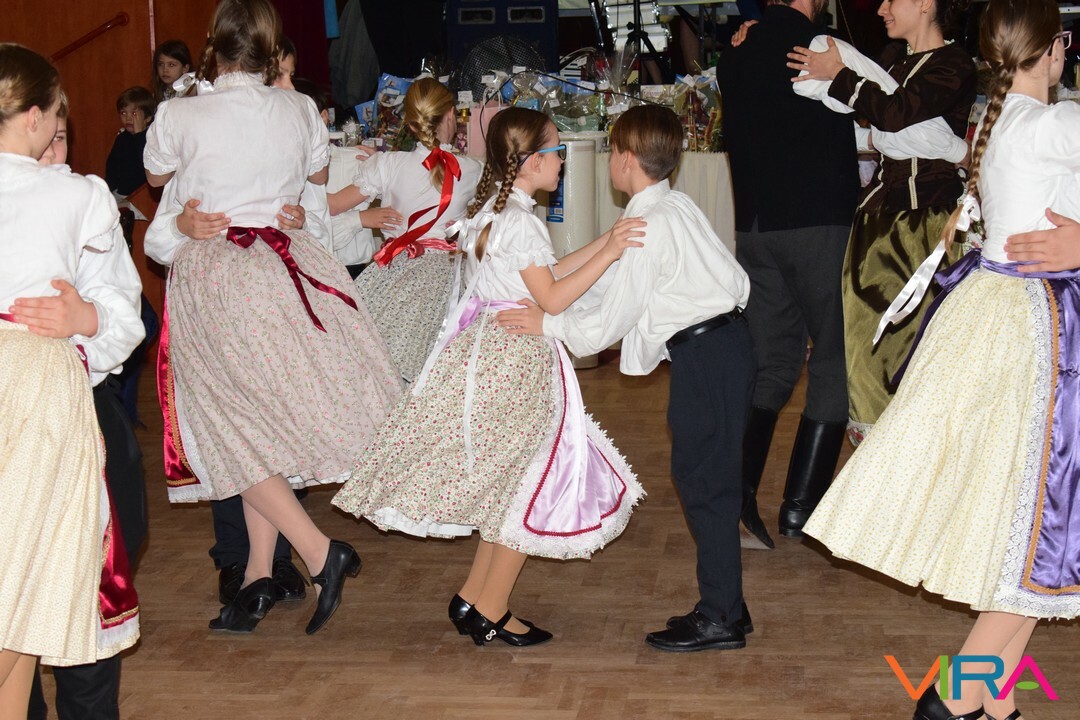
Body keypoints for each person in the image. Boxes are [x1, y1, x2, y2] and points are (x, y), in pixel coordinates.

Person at [804, 3, 1079, 719]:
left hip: (997, 313)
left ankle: (992, 703)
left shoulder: (1001, 121)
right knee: (1042, 528)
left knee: (1028, 522)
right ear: (1054, 49)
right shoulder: (1056, 123)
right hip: (1042, 327)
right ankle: (955, 700)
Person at [332, 107, 645, 646]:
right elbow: (551, 297)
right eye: (555, 151)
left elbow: (543, 274)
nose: (561, 161)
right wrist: (611, 252)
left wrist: (604, 243)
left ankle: (475, 596)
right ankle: (491, 608)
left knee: (513, 480)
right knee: (527, 482)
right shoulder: (520, 221)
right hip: (513, 359)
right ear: (530, 162)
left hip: (492, 350)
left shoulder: (497, 210)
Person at [143, 0, 402, 634]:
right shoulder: (298, 107)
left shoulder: (181, 112)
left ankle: (317, 550)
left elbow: (154, 173)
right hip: (284, 269)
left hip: (219, 273)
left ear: (215, 43)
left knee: (229, 427)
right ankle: (258, 574)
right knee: (257, 426)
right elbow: (316, 174)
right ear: (268, 47)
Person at [498, 105, 755, 652]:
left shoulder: (647, 226)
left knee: (704, 483)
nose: (609, 160)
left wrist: (548, 322)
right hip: (725, 348)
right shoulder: (673, 205)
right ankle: (728, 605)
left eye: (612, 150)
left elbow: (610, 321)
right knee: (709, 478)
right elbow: (618, 288)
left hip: (707, 357)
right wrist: (557, 302)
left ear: (627, 159)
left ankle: (720, 617)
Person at [0, 44, 140, 718]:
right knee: (19, 575)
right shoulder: (73, 195)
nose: (59, 142)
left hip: (66, 395)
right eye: (54, 125)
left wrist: (87, 319)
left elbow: (120, 310)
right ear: (33, 118)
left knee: (51, 574)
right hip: (33, 392)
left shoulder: (75, 196)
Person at [789, 0, 976, 445]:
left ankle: (919, 457)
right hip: (876, 223)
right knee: (866, 346)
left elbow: (896, 113)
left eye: (893, 0)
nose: (881, 9)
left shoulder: (954, 64)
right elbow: (883, 127)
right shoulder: (892, 61)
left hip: (929, 227)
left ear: (926, 4)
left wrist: (841, 74)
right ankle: (880, 459)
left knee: (919, 348)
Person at [716, 0, 859, 547]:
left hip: (756, 227)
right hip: (818, 224)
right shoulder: (823, 49)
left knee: (772, 361)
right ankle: (801, 509)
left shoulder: (735, 52)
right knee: (833, 359)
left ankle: (737, 498)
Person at [328, 77, 483, 382]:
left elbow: (331, 205)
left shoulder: (387, 164)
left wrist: (373, 174)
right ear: (451, 115)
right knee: (443, 366)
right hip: (450, 278)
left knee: (382, 358)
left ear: (410, 125)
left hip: (396, 273)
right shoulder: (472, 169)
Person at [105, 86, 156, 197]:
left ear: (147, 117)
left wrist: (139, 135)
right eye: (123, 113)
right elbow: (111, 167)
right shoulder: (122, 138)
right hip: (119, 193)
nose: (128, 118)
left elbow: (148, 165)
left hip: (141, 195)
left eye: (134, 114)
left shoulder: (151, 138)